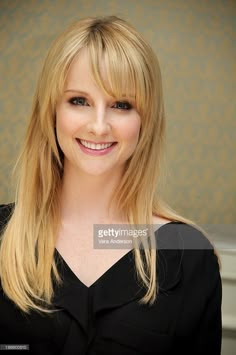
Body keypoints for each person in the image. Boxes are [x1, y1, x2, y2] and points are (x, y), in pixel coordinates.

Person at [0, 15, 222, 354]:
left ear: (145, 120)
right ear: (51, 111)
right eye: (79, 101)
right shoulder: (4, 237)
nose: (99, 126)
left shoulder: (190, 255)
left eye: (121, 105)